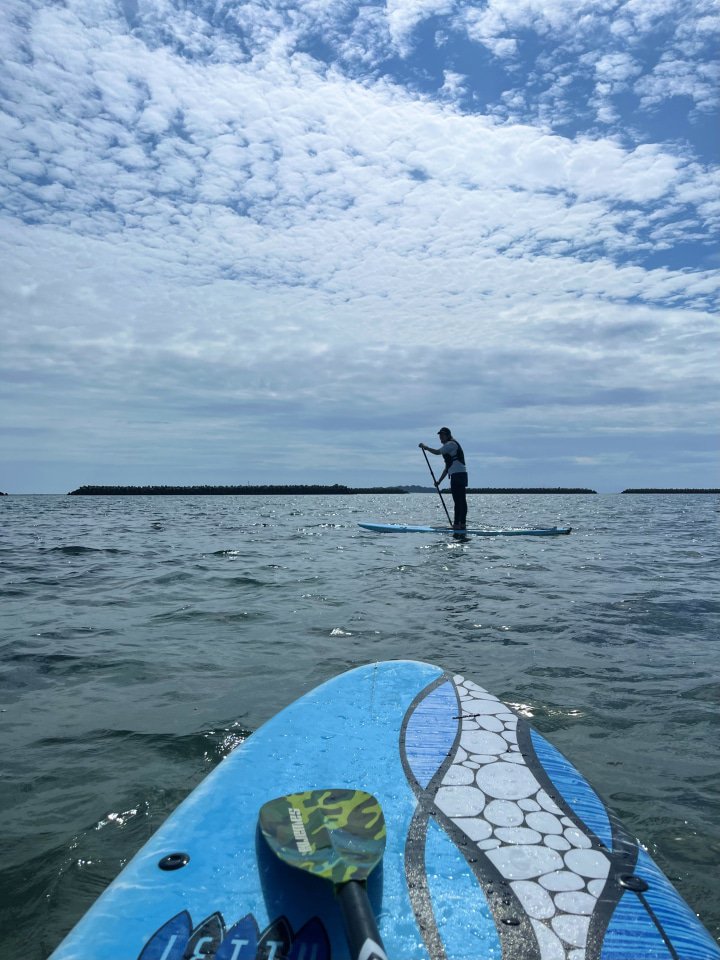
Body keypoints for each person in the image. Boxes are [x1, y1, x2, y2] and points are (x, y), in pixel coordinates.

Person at [419, 427, 468, 530]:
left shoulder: (450, 444)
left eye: (443, 435)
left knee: (458, 501)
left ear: (448, 435)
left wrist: (425, 447)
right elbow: (447, 468)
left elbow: (437, 452)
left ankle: (456, 525)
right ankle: (462, 524)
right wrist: (439, 481)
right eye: (440, 435)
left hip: (457, 476)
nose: (441, 437)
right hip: (461, 475)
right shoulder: (450, 449)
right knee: (461, 501)